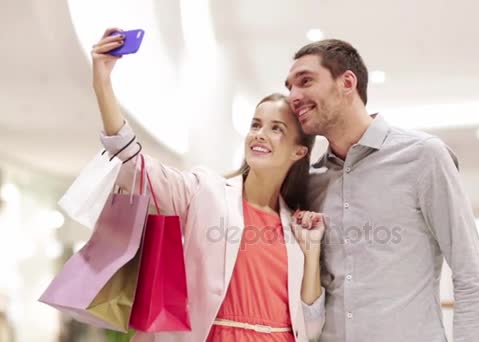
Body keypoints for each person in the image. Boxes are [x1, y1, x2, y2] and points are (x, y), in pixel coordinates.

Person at [91, 28, 326, 342]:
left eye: (276, 129)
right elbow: (133, 162)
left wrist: (311, 253)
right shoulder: (206, 192)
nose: (259, 134)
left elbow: (310, 328)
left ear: (299, 151)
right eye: (255, 124)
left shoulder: (297, 228)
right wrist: (102, 81)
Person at [284, 39, 479, 341]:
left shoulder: (424, 157)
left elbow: (470, 275)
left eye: (305, 81)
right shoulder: (312, 180)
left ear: (347, 82)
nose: (294, 96)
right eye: (289, 87)